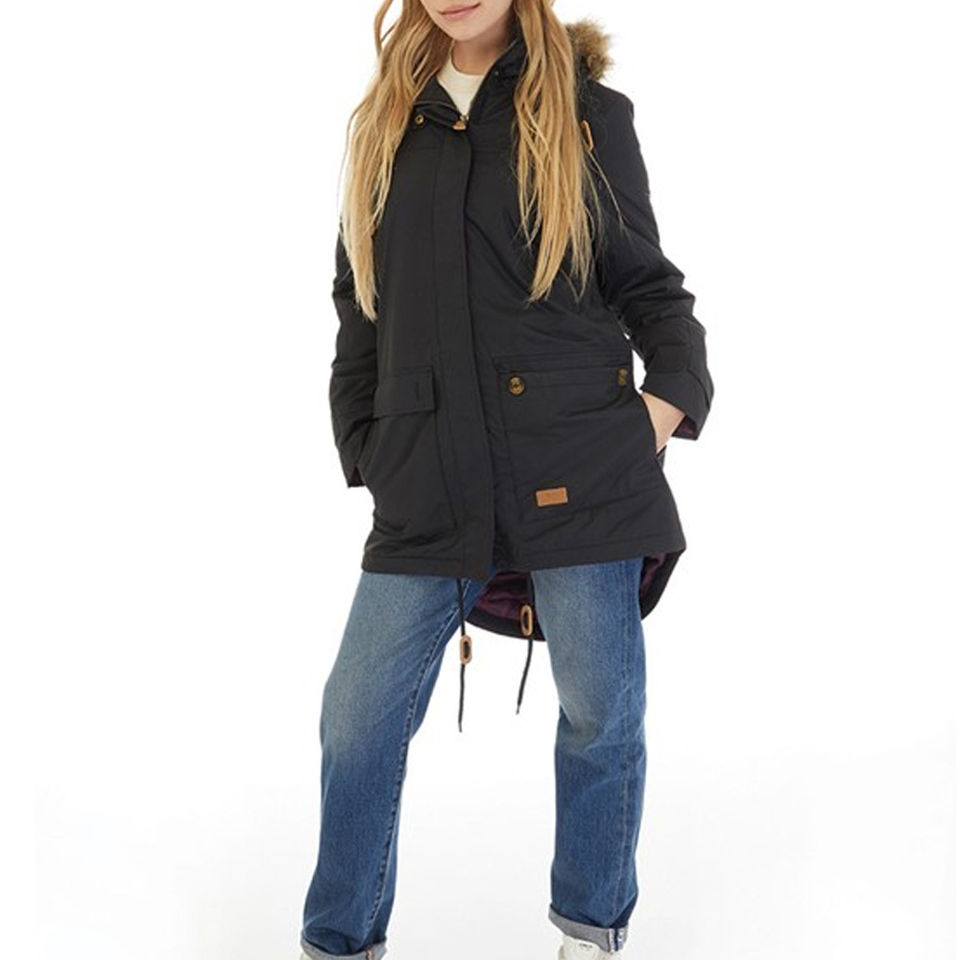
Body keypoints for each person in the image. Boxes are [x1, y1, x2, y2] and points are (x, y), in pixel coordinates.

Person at [301, 2, 714, 958]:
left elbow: (648, 285)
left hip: (583, 471)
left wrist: (662, 409)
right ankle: (339, 941)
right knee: (355, 722)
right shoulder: (386, 123)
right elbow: (359, 303)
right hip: (427, 480)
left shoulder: (584, 111)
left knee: (602, 714)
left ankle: (590, 930)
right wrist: (365, 443)